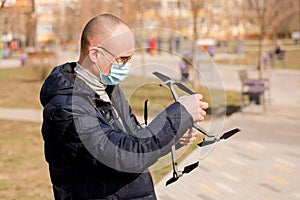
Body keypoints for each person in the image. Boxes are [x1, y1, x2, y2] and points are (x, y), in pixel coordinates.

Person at [40, 14, 208, 200]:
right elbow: (125, 156)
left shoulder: (107, 89)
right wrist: (179, 115)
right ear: (94, 54)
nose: (127, 66)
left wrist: (173, 136)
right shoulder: (67, 109)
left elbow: (135, 139)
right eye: (122, 59)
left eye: (130, 59)